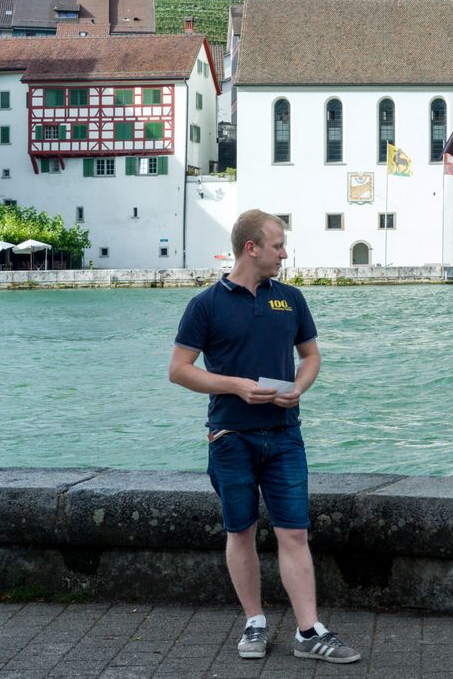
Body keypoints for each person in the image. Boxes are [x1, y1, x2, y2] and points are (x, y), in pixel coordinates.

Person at [168, 209, 361, 664]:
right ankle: (254, 622)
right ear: (250, 247)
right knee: (241, 531)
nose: (284, 253)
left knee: (295, 533)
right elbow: (178, 370)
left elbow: (311, 356)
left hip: (285, 435)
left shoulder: (290, 299)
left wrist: (299, 386)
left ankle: (309, 631)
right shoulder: (205, 304)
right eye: (277, 245)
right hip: (231, 436)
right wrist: (236, 385)